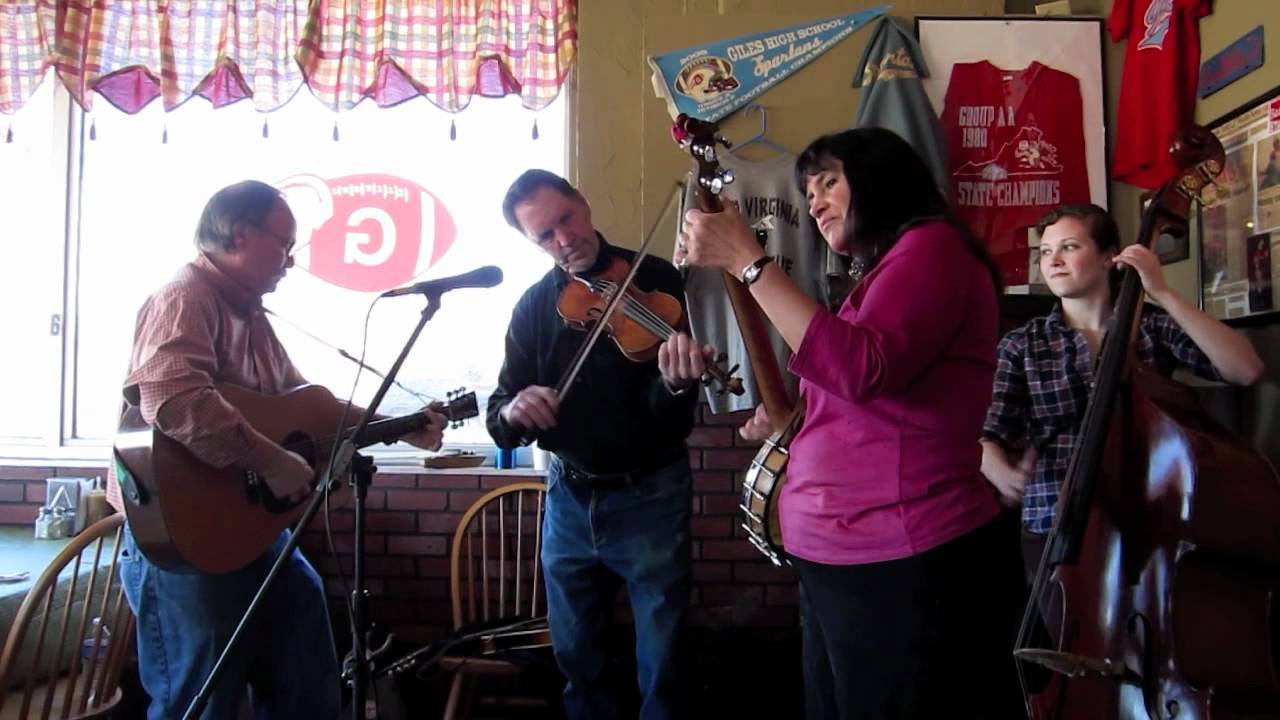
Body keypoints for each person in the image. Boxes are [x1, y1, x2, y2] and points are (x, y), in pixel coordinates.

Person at [679, 127, 1022, 719]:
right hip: (849, 559)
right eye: (808, 190)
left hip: (903, 557)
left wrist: (750, 261)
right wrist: (796, 422)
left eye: (829, 181)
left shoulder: (933, 249)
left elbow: (864, 368)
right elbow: (861, 398)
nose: (813, 202)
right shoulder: (888, 269)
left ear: (882, 178)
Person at [105, 180, 447, 719]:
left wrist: (396, 424)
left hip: (250, 538)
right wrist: (267, 458)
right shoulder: (184, 296)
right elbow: (171, 398)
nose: (292, 260)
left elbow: (308, 411)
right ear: (241, 234)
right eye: (286, 244)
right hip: (185, 541)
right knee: (200, 700)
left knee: (304, 665)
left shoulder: (252, 314)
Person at [487, 170, 705, 720]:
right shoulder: (535, 308)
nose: (564, 239)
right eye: (545, 235)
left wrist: (675, 384)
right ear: (531, 243)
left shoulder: (655, 279)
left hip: (651, 492)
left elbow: (668, 412)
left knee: (664, 655)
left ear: (583, 204)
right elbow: (501, 415)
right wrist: (514, 411)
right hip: (568, 497)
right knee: (577, 651)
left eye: (566, 218)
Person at [981, 202, 1264, 583]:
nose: (1053, 261)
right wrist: (1002, 474)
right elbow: (986, 433)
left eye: (1069, 247)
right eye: (1046, 252)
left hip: (1147, 520)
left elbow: (1245, 370)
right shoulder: (1022, 344)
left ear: (1108, 257)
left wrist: (1161, 291)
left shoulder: (1150, 329)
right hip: (1057, 524)